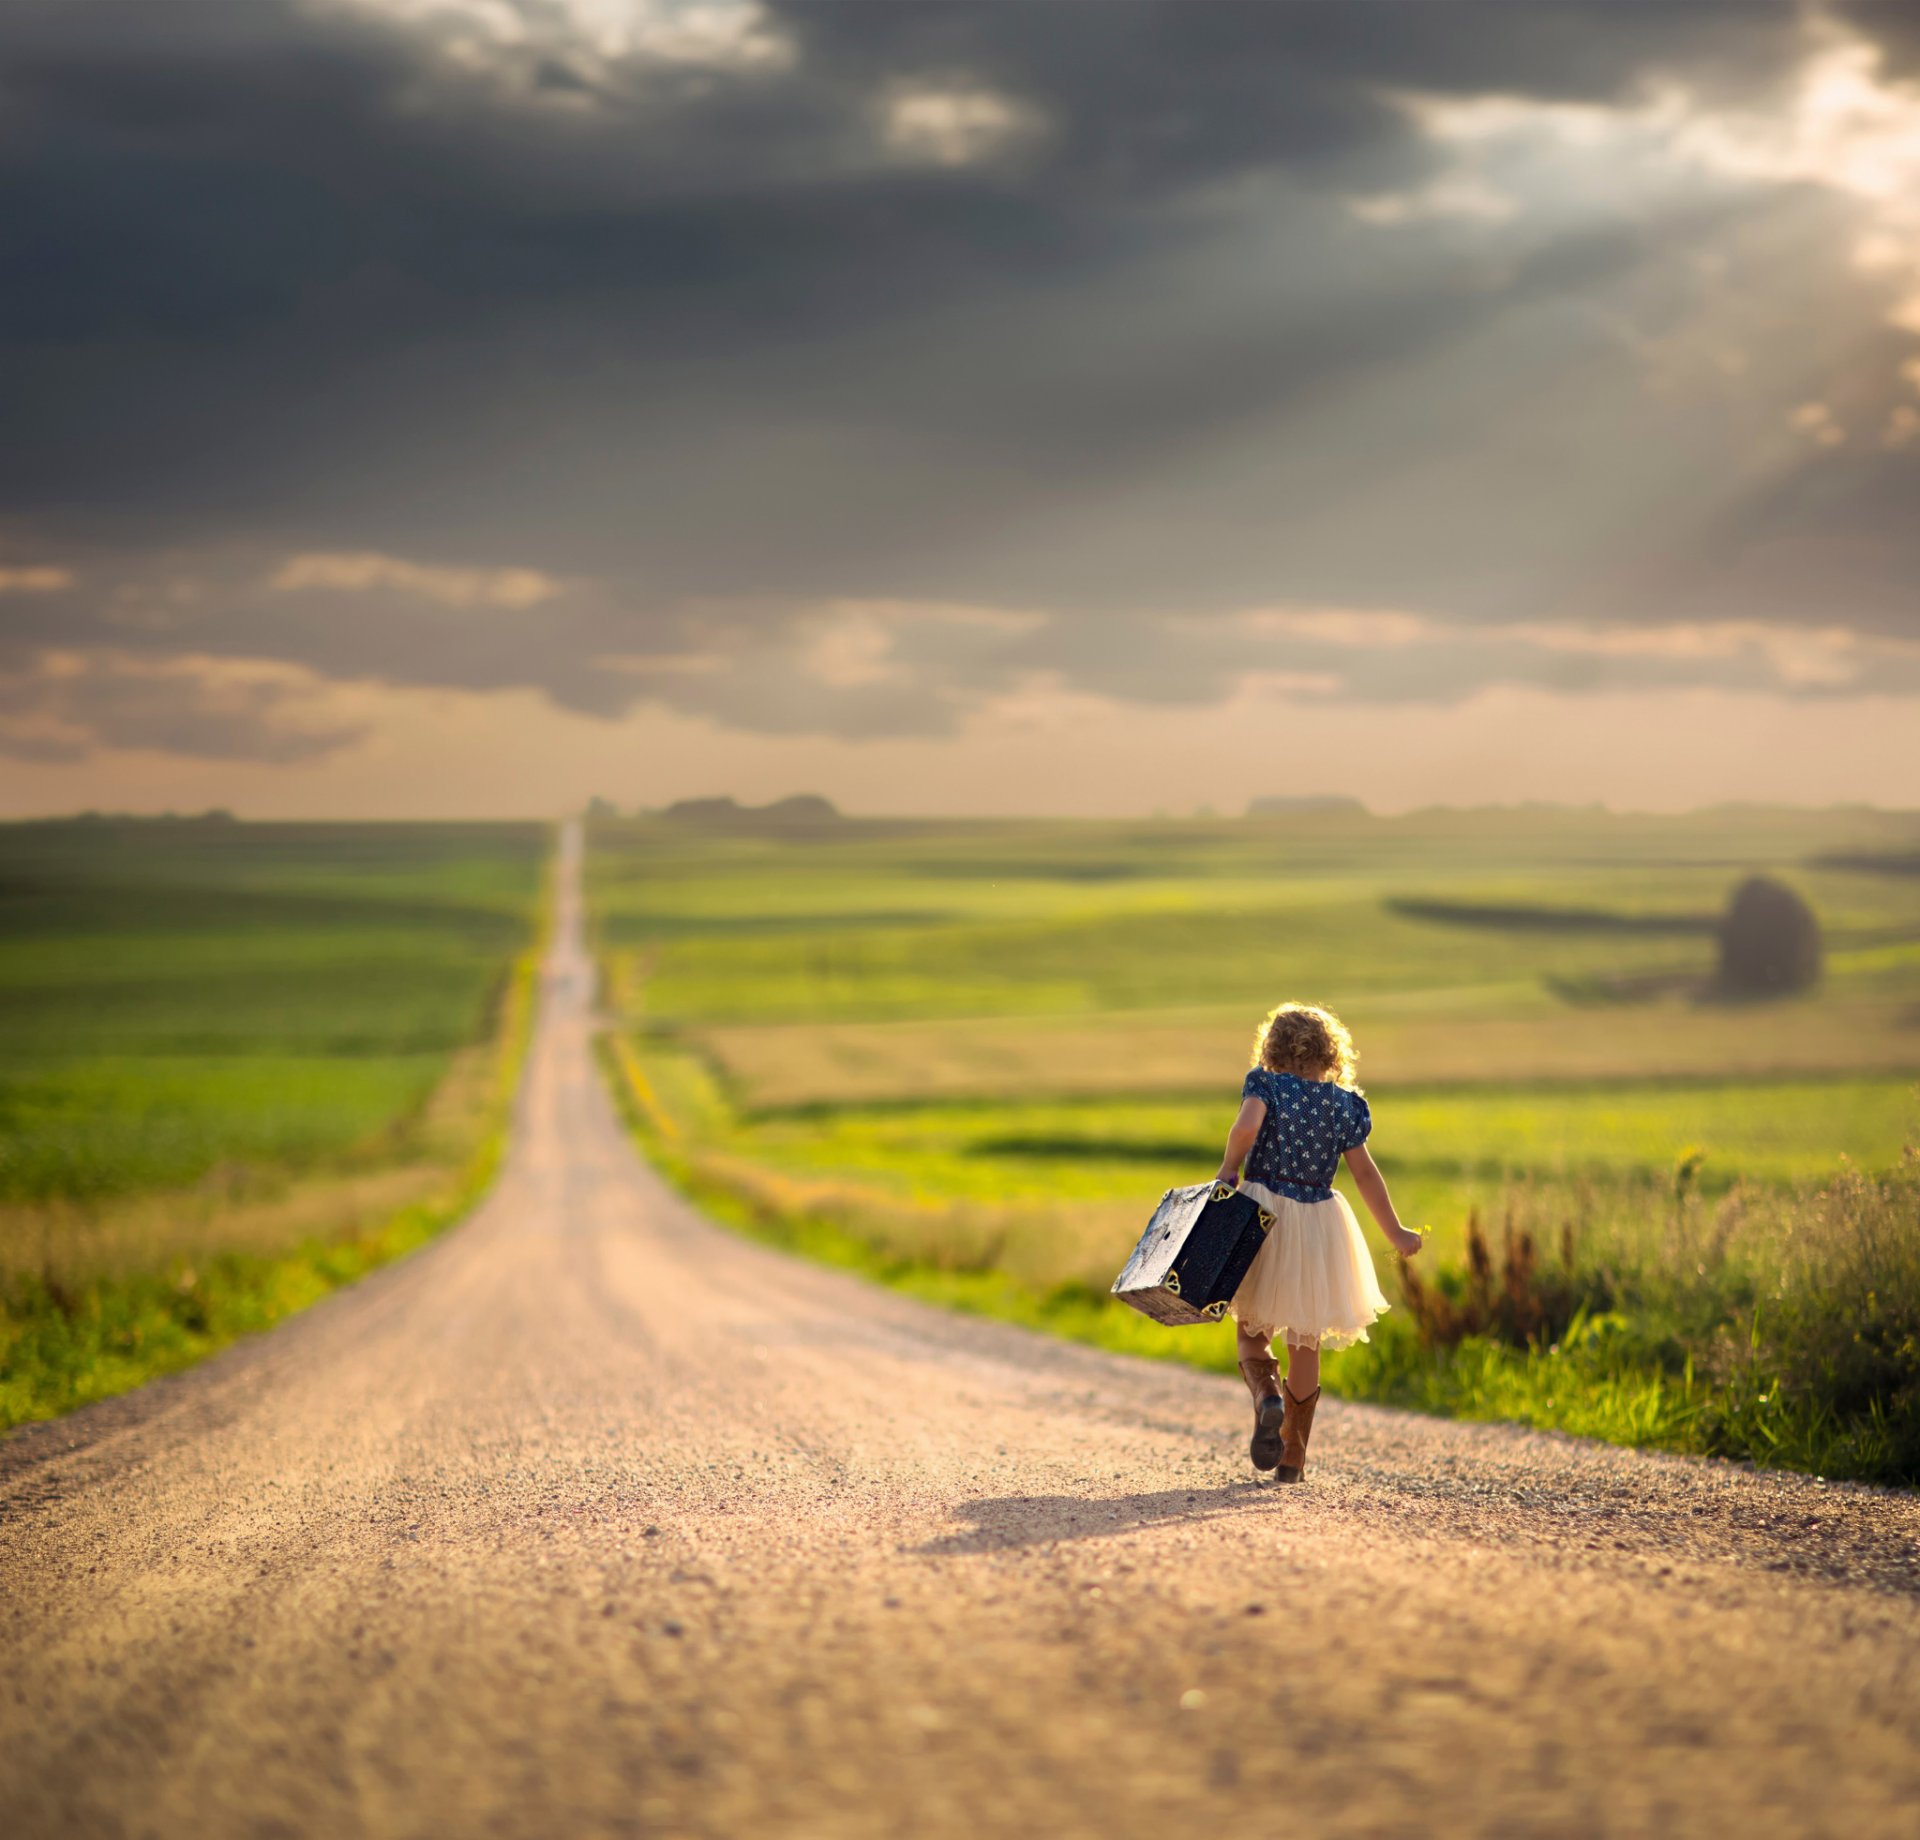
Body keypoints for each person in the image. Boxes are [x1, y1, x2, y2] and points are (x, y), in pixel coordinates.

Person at [1213, 1001, 1422, 1481]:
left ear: (1273, 1050)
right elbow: (1365, 1174)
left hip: (1262, 1213)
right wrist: (1395, 1232)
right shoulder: (1343, 1103)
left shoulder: (1264, 1084)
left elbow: (1246, 1126)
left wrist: (1229, 1168)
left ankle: (1267, 1398)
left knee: (1251, 1329)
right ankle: (1293, 1455)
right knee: (1305, 1340)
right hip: (1319, 1221)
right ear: (1331, 1054)